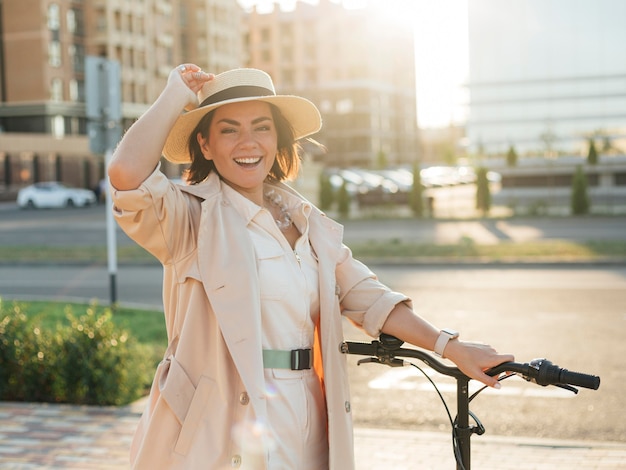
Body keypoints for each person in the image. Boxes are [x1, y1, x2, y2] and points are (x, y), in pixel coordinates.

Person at [108, 65, 514, 470]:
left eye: (261, 127)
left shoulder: (304, 219)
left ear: (278, 138)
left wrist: (449, 347)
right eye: (229, 129)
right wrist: (174, 94)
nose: (248, 142)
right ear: (206, 144)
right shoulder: (190, 219)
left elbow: (366, 296)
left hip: (306, 409)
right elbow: (126, 174)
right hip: (224, 420)